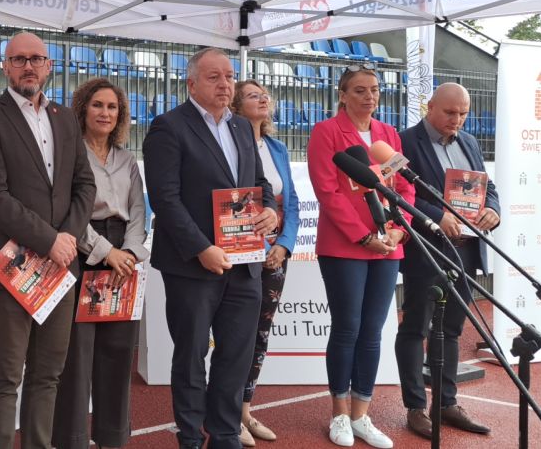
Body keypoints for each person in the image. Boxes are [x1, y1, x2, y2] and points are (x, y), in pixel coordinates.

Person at [0, 31, 97, 449]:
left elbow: (84, 185)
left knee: (47, 374)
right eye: (19, 59)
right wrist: (50, 240)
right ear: (5, 66)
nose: (28, 66)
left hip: (60, 266)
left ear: (49, 66)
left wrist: (68, 239)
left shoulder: (64, 118)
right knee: (6, 375)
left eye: (37, 59)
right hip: (12, 267)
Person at [143, 49, 279, 449]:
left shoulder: (241, 127)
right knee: (191, 356)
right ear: (191, 84)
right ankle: (189, 437)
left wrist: (269, 211)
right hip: (193, 266)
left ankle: (223, 436)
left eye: (230, 77)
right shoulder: (168, 127)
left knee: (235, 355)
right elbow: (165, 199)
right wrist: (202, 248)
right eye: (214, 77)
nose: (225, 85)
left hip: (244, 264)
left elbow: (260, 184)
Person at [306, 63, 415, 448]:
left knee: (372, 331)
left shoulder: (388, 135)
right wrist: (364, 235)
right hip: (345, 247)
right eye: (359, 90)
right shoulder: (326, 132)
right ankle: (338, 413)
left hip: (388, 246)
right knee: (348, 327)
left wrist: (399, 229)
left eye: (374, 89)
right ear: (342, 94)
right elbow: (328, 192)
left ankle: (361, 415)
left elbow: (403, 186)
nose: (369, 96)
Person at [395, 83, 499, 439]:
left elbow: (489, 189)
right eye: (450, 113)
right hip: (426, 250)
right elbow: (396, 195)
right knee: (416, 328)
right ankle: (415, 408)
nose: (457, 120)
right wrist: (434, 215)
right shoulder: (404, 141)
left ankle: (447, 403)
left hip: (466, 249)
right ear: (430, 106)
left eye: (463, 113)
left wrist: (492, 212)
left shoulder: (469, 143)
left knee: (452, 329)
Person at [52, 78, 150, 449]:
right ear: (83, 109)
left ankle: (112, 437)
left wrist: (132, 251)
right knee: (77, 355)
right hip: (82, 251)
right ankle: (71, 439)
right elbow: (67, 213)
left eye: (112, 107)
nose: (105, 113)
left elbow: (139, 210)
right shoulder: (71, 154)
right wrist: (105, 251)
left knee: (119, 352)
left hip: (124, 257)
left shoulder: (127, 160)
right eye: (97, 105)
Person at [230, 80, 301, 446]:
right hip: (241, 253)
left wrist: (285, 245)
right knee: (236, 336)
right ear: (237, 106)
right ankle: (227, 414)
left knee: (261, 334)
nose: (264, 99)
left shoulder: (276, 147)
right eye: (253, 95)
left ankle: (244, 410)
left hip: (275, 255)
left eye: (265, 95)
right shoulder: (230, 142)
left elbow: (292, 201)